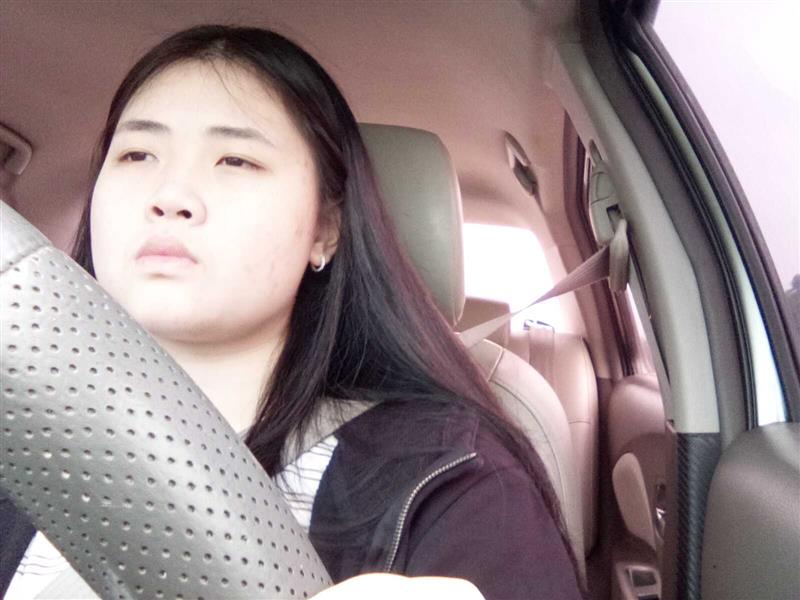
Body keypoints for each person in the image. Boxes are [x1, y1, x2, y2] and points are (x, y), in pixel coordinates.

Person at [2, 25, 583, 599]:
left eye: (235, 160)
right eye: (136, 154)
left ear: (325, 228)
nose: (170, 195)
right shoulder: (21, 436)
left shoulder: (452, 482)